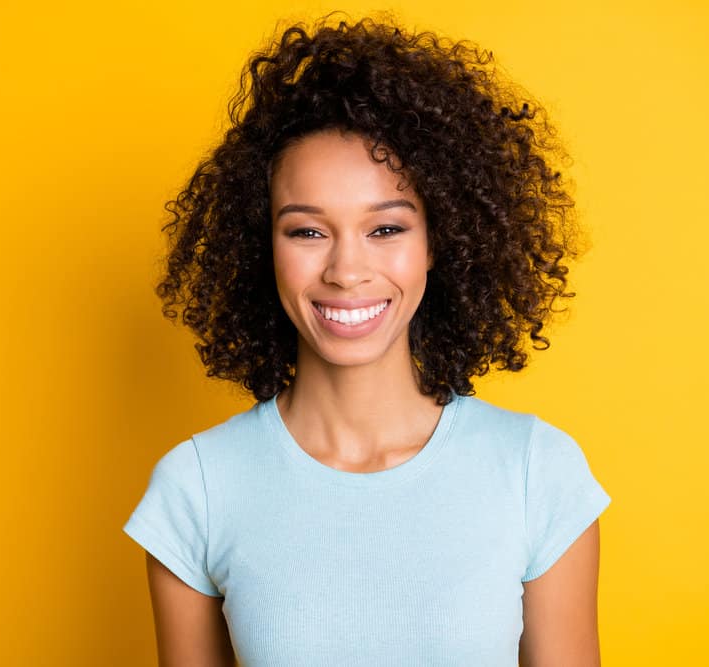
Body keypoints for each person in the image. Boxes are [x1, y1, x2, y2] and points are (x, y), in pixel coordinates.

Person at [124, 15, 611, 667]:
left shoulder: (535, 473)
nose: (346, 271)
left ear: (441, 240)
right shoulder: (197, 489)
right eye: (307, 231)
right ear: (260, 246)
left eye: (385, 229)